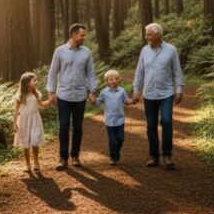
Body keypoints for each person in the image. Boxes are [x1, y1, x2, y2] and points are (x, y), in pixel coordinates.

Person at [131, 23, 184, 169]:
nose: (146, 37)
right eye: (146, 34)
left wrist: (178, 90)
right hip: (149, 94)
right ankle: (154, 156)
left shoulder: (171, 50)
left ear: (158, 35)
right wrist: (137, 90)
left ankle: (167, 155)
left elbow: (177, 71)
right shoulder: (144, 51)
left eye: (148, 34)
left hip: (166, 93)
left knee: (166, 121)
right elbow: (139, 72)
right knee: (151, 125)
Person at [47, 23, 97, 171]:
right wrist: (50, 91)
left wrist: (93, 90)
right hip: (63, 95)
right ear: (74, 35)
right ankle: (63, 158)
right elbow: (52, 72)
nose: (84, 38)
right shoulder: (60, 51)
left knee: (78, 127)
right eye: (82, 35)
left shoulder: (86, 52)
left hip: (80, 95)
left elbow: (91, 73)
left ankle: (75, 156)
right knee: (63, 127)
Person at [95, 69, 136, 165]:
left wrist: (133, 101)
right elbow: (98, 102)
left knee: (121, 139)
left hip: (120, 120)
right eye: (111, 79)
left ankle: (116, 152)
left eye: (116, 79)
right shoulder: (104, 92)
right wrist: (93, 100)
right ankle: (113, 157)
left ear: (119, 80)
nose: (114, 81)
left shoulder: (122, 91)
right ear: (107, 82)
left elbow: (126, 101)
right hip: (109, 121)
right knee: (112, 140)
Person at [13, 72, 51, 173]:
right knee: (26, 144)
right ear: (26, 83)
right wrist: (14, 124)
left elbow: (41, 105)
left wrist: (50, 101)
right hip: (24, 121)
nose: (36, 82)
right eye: (34, 80)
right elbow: (16, 109)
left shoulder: (36, 93)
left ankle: (36, 162)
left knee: (35, 142)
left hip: (35, 120)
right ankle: (28, 164)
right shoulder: (20, 95)